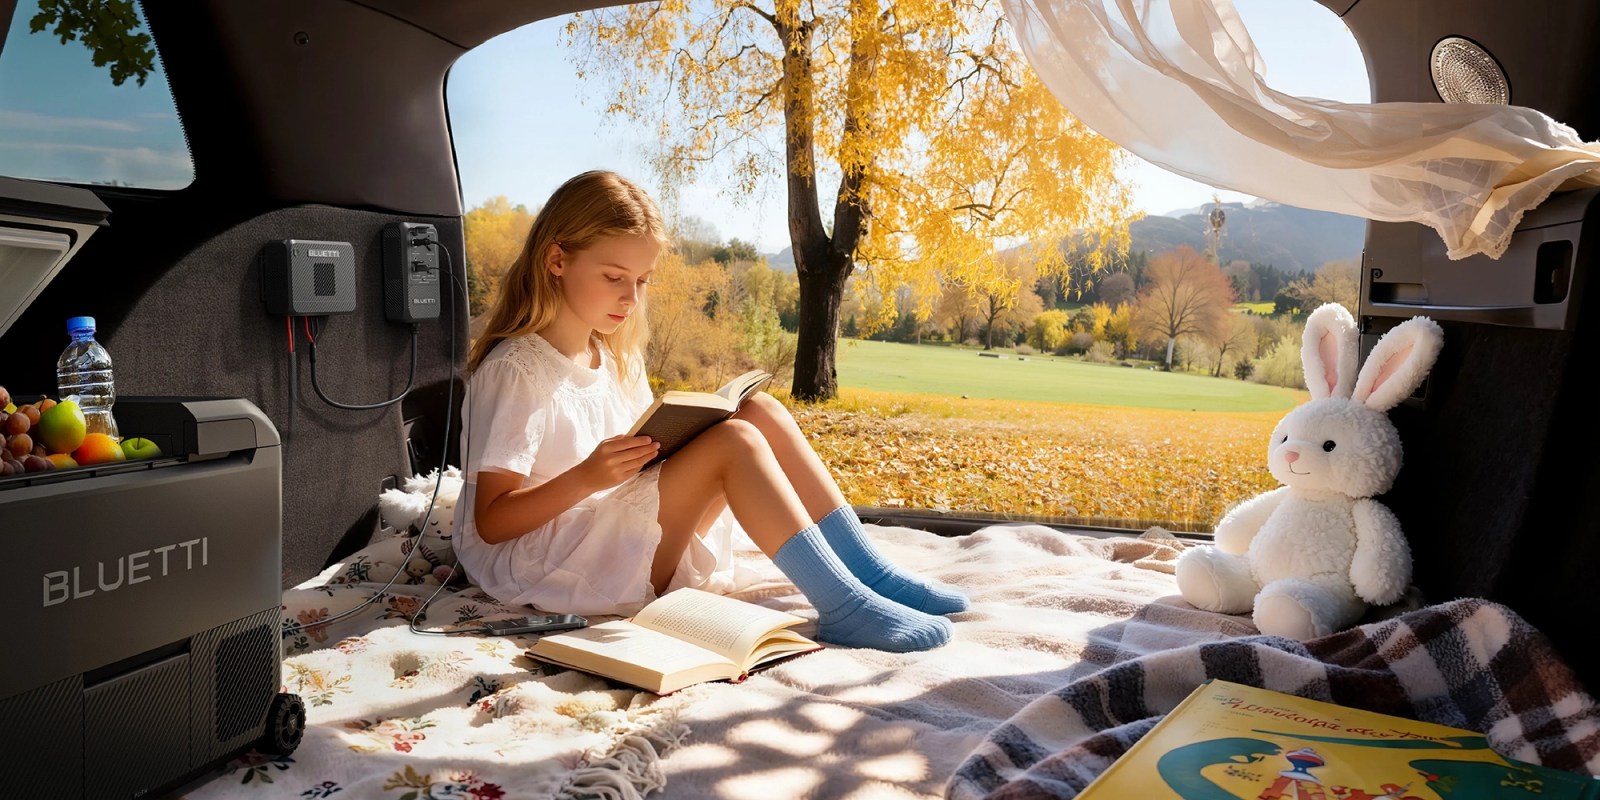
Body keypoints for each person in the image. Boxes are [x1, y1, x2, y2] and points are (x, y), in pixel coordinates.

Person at [453, 170, 965, 652]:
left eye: (642, 280)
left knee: (757, 410)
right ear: (557, 261)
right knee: (734, 444)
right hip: (545, 559)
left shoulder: (607, 354)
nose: (631, 298)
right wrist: (589, 475)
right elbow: (493, 525)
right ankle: (844, 607)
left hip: (605, 522)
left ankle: (868, 573)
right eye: (614, 277)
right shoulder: (515, 371)